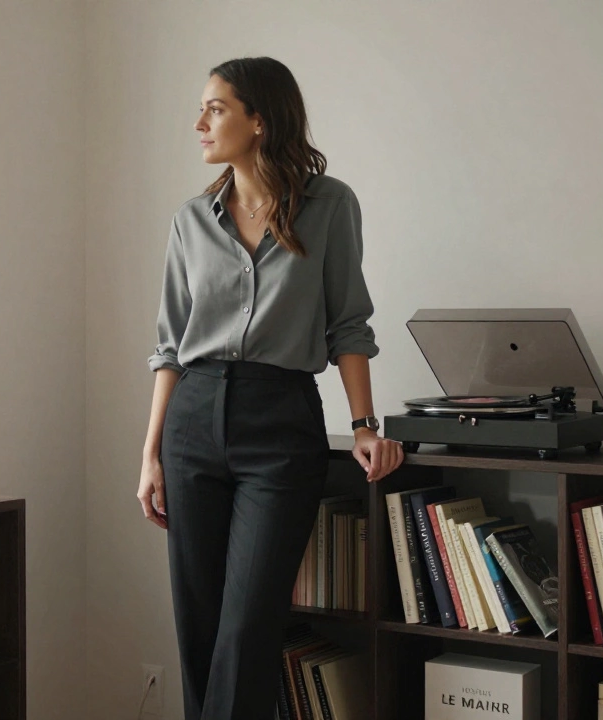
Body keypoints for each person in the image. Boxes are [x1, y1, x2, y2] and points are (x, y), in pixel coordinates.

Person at [138, 57, 405, 720]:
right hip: (192, 420)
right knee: (198, 626)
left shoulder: (329, 205)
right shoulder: (191, 220)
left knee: (248, 626)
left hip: (280, 423)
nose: (199, 123)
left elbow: (348, 326)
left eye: (217, 108)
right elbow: (170, 347)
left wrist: (365, 425)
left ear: (260, 120)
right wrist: (150, 455)